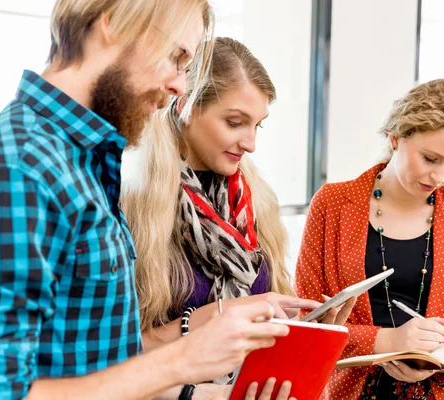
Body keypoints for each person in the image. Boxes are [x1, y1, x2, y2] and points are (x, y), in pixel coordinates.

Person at [0, 2, 293, 399]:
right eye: (177, 57)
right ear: (114, 24)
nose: (181, 84)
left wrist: (207, 392)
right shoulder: (18, 169)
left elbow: (98, 362)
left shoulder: (84, 163)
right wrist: (182, 359)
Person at [121, 37, 356, 398]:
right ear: (185, 105)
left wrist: (304, 334)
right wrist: (210, 318)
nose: (250, 143)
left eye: (257, 125)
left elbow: (264, 321)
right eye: (234, 122)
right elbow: (110, 360)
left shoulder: (253, 199)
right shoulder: (134, 204)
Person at [294, 79, 444, 400]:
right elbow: (307, 323)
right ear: (395, 137)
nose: (439, 176)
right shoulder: (332, 203)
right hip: (348, 392)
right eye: (430, 158)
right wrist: (388, 340)